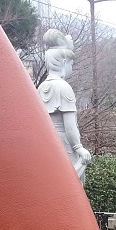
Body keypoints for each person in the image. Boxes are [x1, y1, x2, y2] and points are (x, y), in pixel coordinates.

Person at [38, 29, 92, 184]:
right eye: (71, 64)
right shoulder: (63, 87)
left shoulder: (41, 87)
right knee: (71, 183)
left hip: (46, 142)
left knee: (51, 182)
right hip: (64, 141)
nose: (71, 68)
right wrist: (78, 147)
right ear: (63, 63)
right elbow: (69, 125)